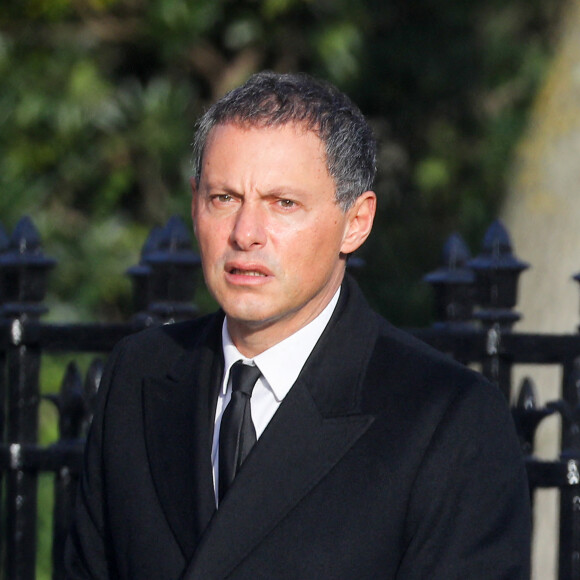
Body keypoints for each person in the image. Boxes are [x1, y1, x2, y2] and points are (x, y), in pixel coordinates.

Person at [65, 71, 531, 579]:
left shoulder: (446, 420)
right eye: (224, 198)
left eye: (283, 203)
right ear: (195, 201)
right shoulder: (139, 375)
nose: (245, 234)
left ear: (356, 221)